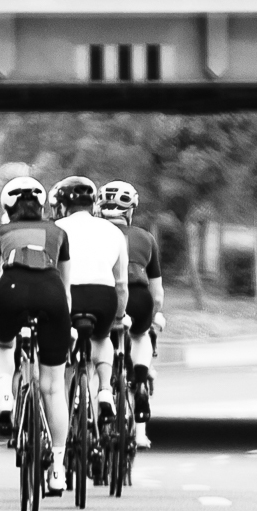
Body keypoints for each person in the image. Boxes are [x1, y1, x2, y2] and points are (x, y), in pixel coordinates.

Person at [0, 175, 72, 495]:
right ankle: (59, 469)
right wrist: (67, 324)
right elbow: (67, 286)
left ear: (8, 207)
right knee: (53, 389)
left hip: (11, 291)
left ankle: (5, 394)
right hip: (52, 295)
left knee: (1, 342)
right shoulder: (59, 232)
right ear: (43, 205)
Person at [50, 175, 130, 426]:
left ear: (62, 205)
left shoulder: (54, 229)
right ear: (93, 204)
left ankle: (61, 412)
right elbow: (121, 284)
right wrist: (119, 317)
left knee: (62, 356)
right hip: (102, 294)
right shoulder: (114, 231)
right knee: (102, 337)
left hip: (67, 295)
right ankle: (105, 389)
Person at [98, 179, 165, 448]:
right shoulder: (146, 238)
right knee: (140, 336)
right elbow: (157, 294)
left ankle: (93, 402)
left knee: (96, 348)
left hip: (102, 297)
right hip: (139, 296)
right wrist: (155, 314)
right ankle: (138, 382)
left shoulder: (93, 235)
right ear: (131, 211)